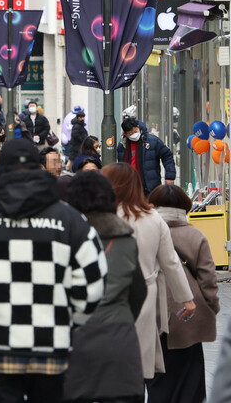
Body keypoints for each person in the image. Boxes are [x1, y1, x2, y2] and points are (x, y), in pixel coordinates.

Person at [0, 139, 107, 403]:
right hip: (53, 346)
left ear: (1, 171)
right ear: (39, 169)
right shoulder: (71, 221)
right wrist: (68, 320)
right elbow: (94, 284)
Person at [101, 163, 195, 380]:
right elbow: (170, 262)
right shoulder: (153, 218)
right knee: (138, 365)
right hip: (144, 297)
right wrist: (186, 299)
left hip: (106, 298)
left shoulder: (100, 218)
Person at [63, 171, 147, 403]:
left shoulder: (62, 239)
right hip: (119, 343)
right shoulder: (126, 240)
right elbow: (139, 292)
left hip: (72, 343)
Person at [146, 185, 219, 403]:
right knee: (190, 383)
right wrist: (211, 308)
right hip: (189, 319)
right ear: (184, 206)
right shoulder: (195, 235)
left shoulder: (144, 232)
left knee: (158, 381)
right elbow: (208, 279)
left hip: (152, 318)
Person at [117, 117, 176, 195]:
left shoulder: (152, 141)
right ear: (125, 134)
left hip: (149, 187)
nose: (134, 135)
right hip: (130, 188)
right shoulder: (123, 145)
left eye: (135, 131)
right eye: (130, 133)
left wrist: (170, 176)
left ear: (138, 127)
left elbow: (167, 156)